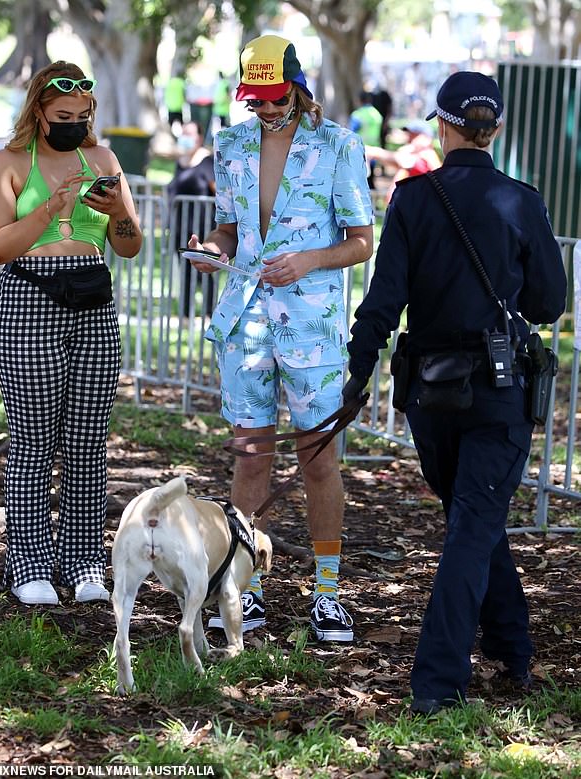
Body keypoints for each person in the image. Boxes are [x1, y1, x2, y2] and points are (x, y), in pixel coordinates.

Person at [343, 72, 567, 712]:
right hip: (499, 393)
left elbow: (383, 302)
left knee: (475, 520)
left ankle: (510, 649)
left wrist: (357, 376)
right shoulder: (522, 200)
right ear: (492, 130)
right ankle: (438, 686)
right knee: (474, 525)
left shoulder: (412, 199)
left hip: (431, 396)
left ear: (440, 125)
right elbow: (550, 302)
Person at [187, 34, 374, 642]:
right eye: (255, 101)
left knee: (318, 461)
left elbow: (361, 241)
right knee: (250, 456)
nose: (265, 111)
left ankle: (327, 594)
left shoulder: (338, 144)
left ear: (296, 85)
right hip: (246, 323)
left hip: (312, 331)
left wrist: (311, 260)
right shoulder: (233, 142)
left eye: (274, 99)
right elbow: (228, 230)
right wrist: (210, 250)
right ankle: (248, 590)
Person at [0, 61, 142, 606]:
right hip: (29, 299)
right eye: (62, 115)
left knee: (88, 441)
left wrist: (118, 208)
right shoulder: (7, 163)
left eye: (83, 115)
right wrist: (52, 206)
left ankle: (85, 560)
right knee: (33, 441)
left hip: (93, 301)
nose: (74, 122)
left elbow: (129, 244)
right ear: (39, 112)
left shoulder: (102, 159)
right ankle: (27, 563)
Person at [167, 121, 216, 315]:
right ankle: (186, 314)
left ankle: (209, 313)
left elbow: (218, 193)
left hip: (202, 227)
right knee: (185, 272)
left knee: (204, 271)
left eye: (190, 133)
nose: (185, 138)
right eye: (183, 133)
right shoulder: (180, 162)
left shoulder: (207, 162)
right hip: (180, 226)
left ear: (200, 137)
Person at [365, 120, 441, 201]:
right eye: (409, 134)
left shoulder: (428, 156)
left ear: (426, 138)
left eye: (414, 135)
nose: (409, 138)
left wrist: (375, 152)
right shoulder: (410, 158)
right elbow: (395, 159)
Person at [349, 90, 383, 189]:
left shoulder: (358, 115)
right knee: (371, 178)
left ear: (360, 100)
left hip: (361, 149)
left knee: (361, 178)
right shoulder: (376, 114)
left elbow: (351, 132)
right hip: (375, 147)